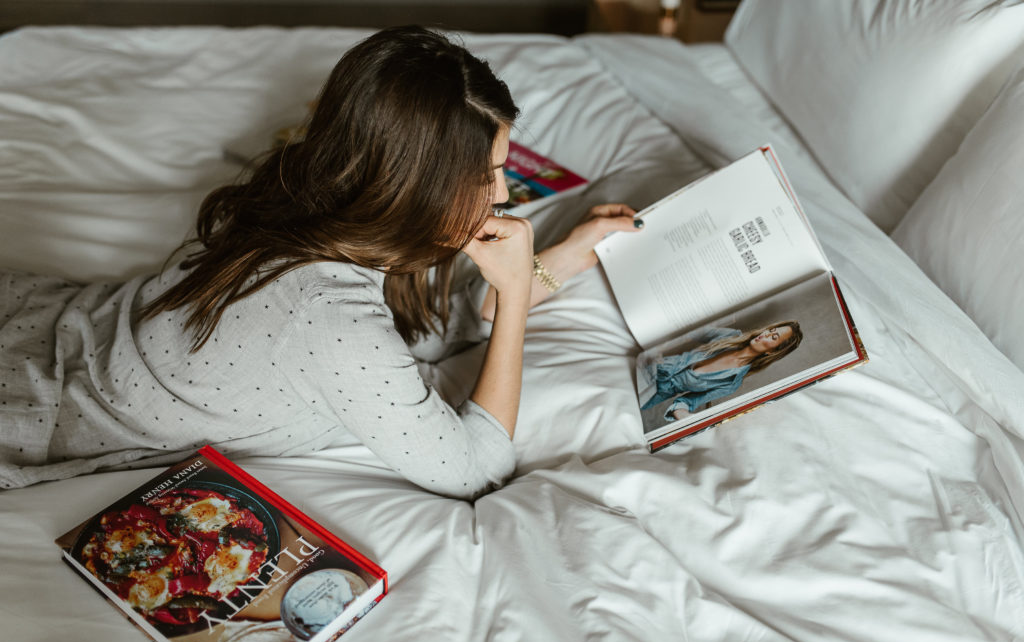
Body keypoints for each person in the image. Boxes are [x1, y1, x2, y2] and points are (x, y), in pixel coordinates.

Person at [0, 26, 639, 497]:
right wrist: (518, 306)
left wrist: (553, 264)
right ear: (419, 183)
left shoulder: (310, 188)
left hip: (72, 328)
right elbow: (475, 468)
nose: (502, 195)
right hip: (47, 408)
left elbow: (434, 329)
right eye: (488, 173)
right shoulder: (332, 321)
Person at [640, 322, 803, 422]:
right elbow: (690, 330)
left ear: (772, 352)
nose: (766, 334)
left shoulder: (731, 383)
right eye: (771, 330)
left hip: (652, 395)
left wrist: (683, 415)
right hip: (647, 364)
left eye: (774, 337)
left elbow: (689, 402)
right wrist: (659, 347)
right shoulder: (731, 336)